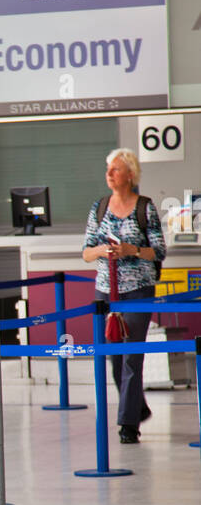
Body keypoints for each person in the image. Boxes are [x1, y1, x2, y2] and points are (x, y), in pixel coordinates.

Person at [82, 148, 166, 444]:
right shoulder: (100, 207)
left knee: (132, 357)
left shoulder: (145, 207)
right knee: (115, 360)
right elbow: (86, 252)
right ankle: (137, 407)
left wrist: (131, 250)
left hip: (139, 291)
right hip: (106, 291)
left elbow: (159, 251)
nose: (109, 174)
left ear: (130, 175)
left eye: (114, 170)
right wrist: (101, 251)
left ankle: (128, 424)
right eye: (108, 169)